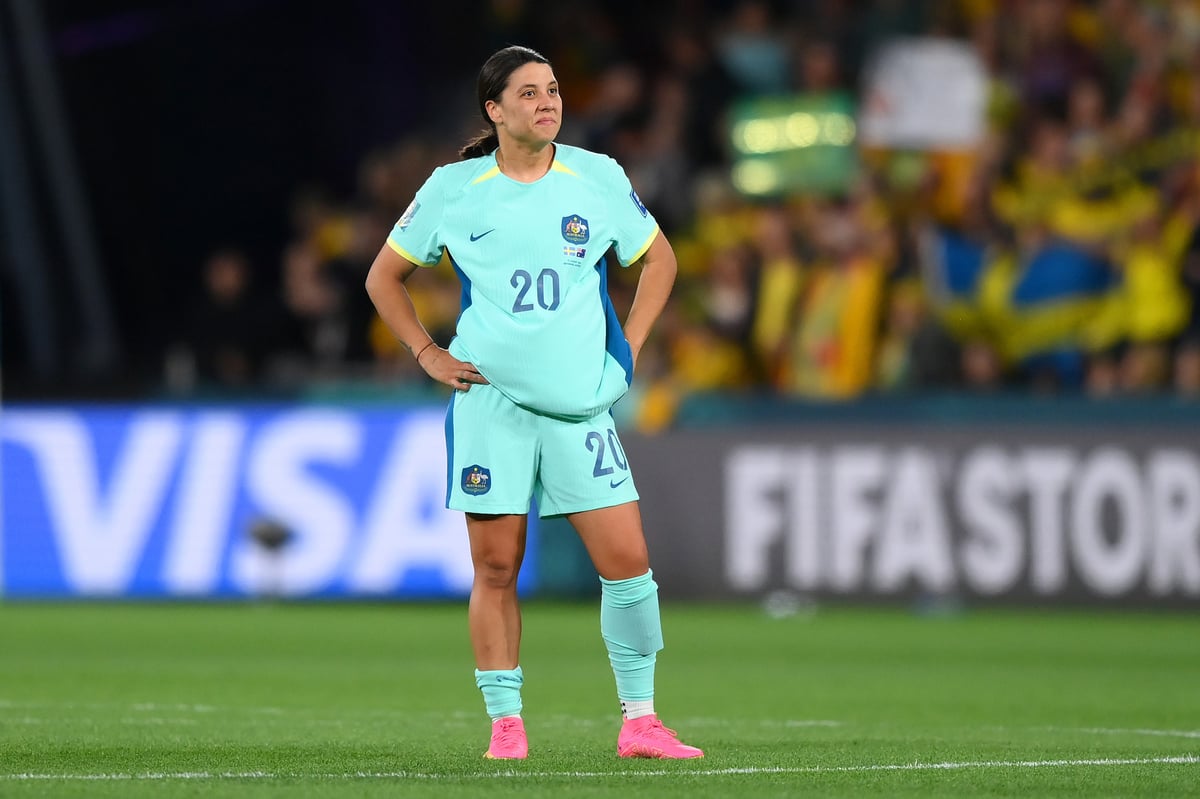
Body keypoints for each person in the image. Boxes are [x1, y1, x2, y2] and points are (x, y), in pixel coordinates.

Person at [364, 45, 703, 761]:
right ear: (494, 109)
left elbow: (660, 259)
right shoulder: (454, 188)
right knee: (496, 568)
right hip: (492, 406)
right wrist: (428, 354)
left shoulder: (598, 177)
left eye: (552, 90)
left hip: (581, 409)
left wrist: (630, 349)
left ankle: (640, 720)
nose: (547, 102)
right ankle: (506, 725)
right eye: (529, 93)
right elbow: (383, 277)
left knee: (629, 566)